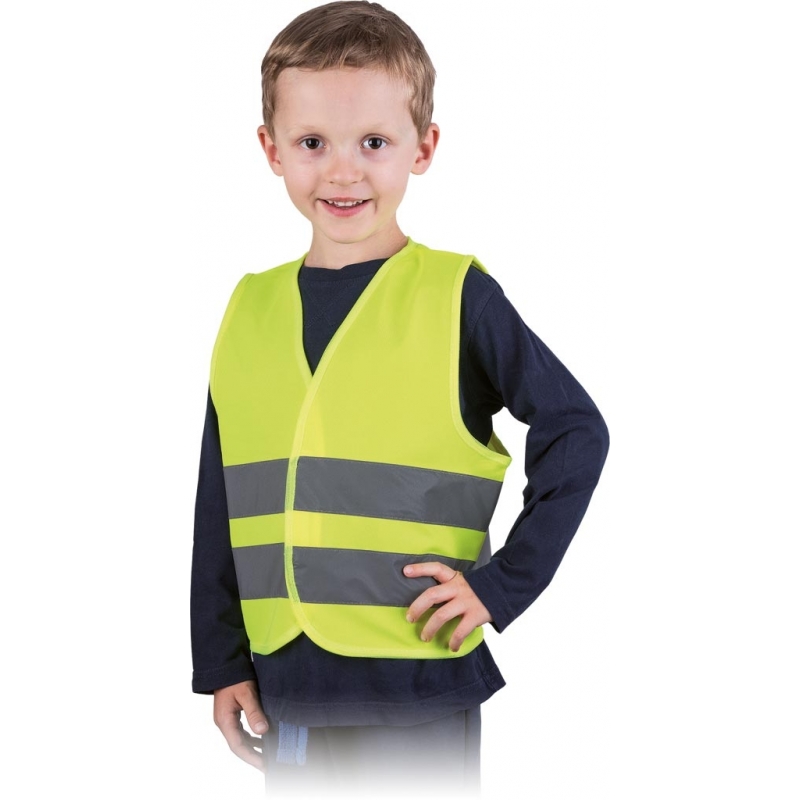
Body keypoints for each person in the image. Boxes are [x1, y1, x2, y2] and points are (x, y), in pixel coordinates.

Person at [190, 1, 609, 796]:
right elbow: (223, 497)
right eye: (313, 143)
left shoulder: (458, 296)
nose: (343, 172)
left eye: (373, 143)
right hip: (288, 687)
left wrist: (502, 585)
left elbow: (576, 430)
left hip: (418, 685)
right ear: (271, 149)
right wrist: (220, 659)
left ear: (424, 147)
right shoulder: (248, 311)